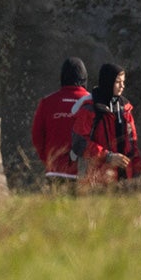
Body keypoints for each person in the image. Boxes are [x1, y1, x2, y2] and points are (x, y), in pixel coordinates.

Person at [71, 62, 141, 189]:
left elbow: (133, 144)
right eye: (118, 82)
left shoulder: (125, 108)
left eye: (123, 82)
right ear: (108, 82)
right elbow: (79, 143)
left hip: (125, 180)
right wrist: (108, 157)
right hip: (97, 182)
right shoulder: (90, 108)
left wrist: (137, 172)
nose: (122, 86)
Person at [30, 57, 92, 186]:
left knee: (57, 206)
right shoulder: (93, 102)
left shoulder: (47, 102)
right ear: (84, 77)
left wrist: (49, 159)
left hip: (55, 171)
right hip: (86, 172)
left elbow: (37, 137)